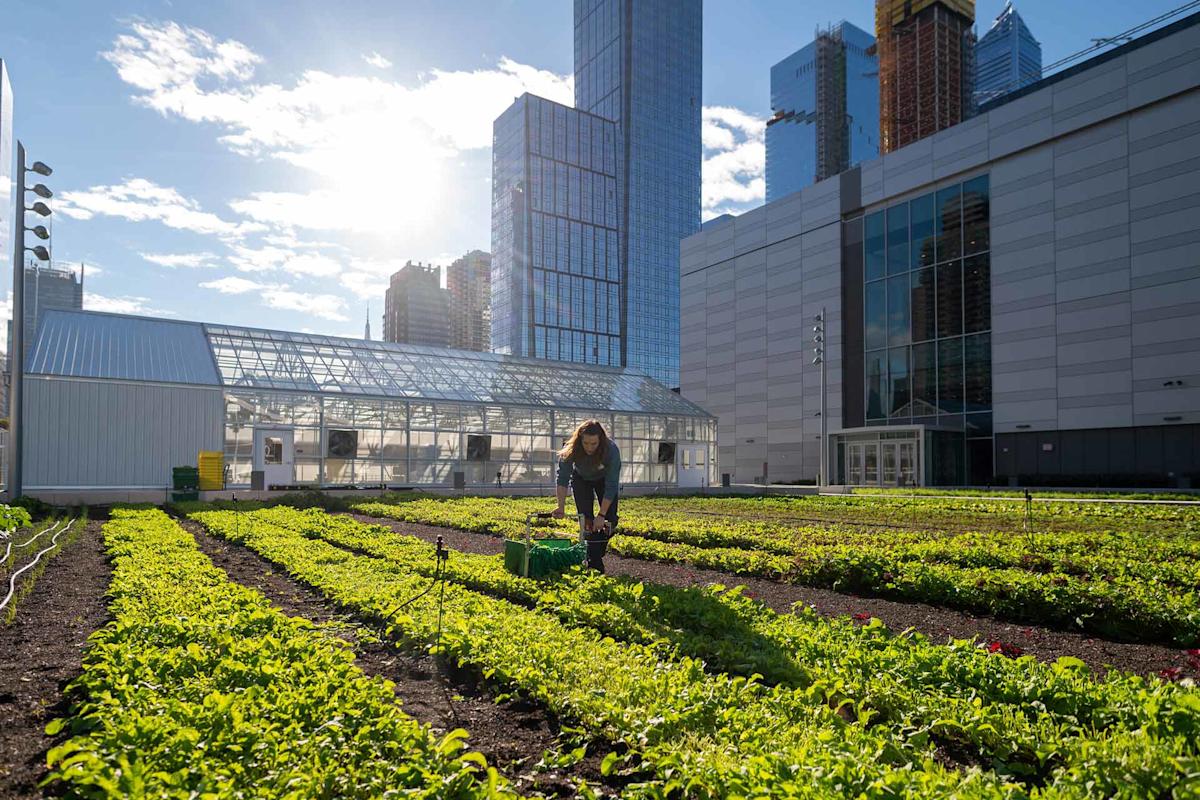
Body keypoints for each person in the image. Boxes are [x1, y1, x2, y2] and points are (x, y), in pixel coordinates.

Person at [552, 419, 620, 572]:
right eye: (586, 443)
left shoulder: (611, 451)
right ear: (579, 440)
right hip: (581, 479)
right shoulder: (570, 449)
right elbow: (562, 479)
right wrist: (560, 507)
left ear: (600, 441)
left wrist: (602, 515)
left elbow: (611, 486)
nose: (589, 447)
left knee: (609, 520)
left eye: (594, 444)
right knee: (586, 521)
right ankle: (595, 563)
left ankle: (595, 551)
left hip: (604, 481)